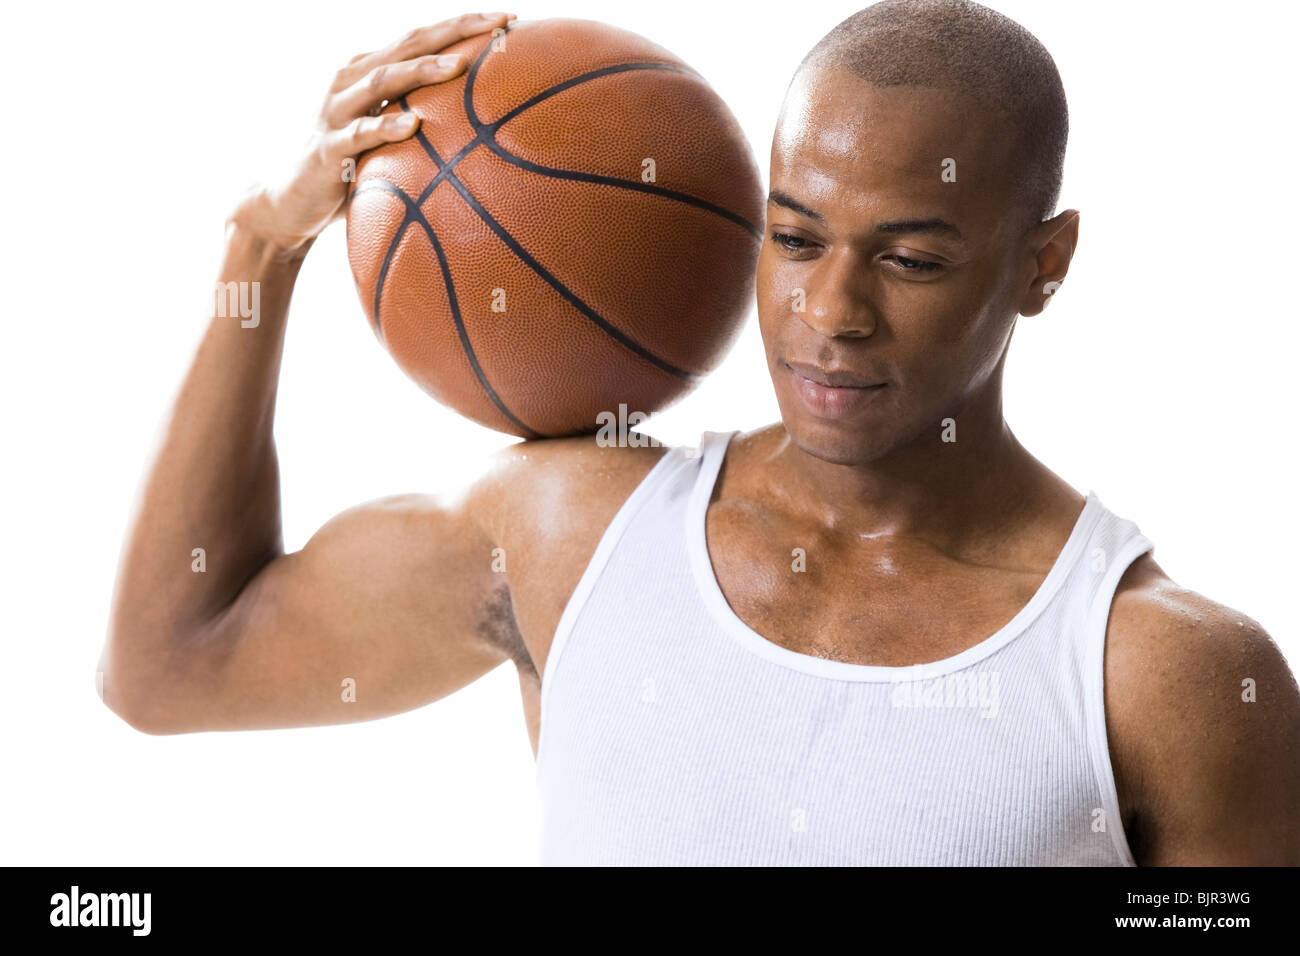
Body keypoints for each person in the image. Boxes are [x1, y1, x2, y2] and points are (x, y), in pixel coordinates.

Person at [99, 2, 1299, 865]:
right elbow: (167, 664)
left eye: (911, 256)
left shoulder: (1163, 676)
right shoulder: (571, 529)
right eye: (794, 237)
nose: (831, 314)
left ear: (1044, 263)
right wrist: (263, 244)